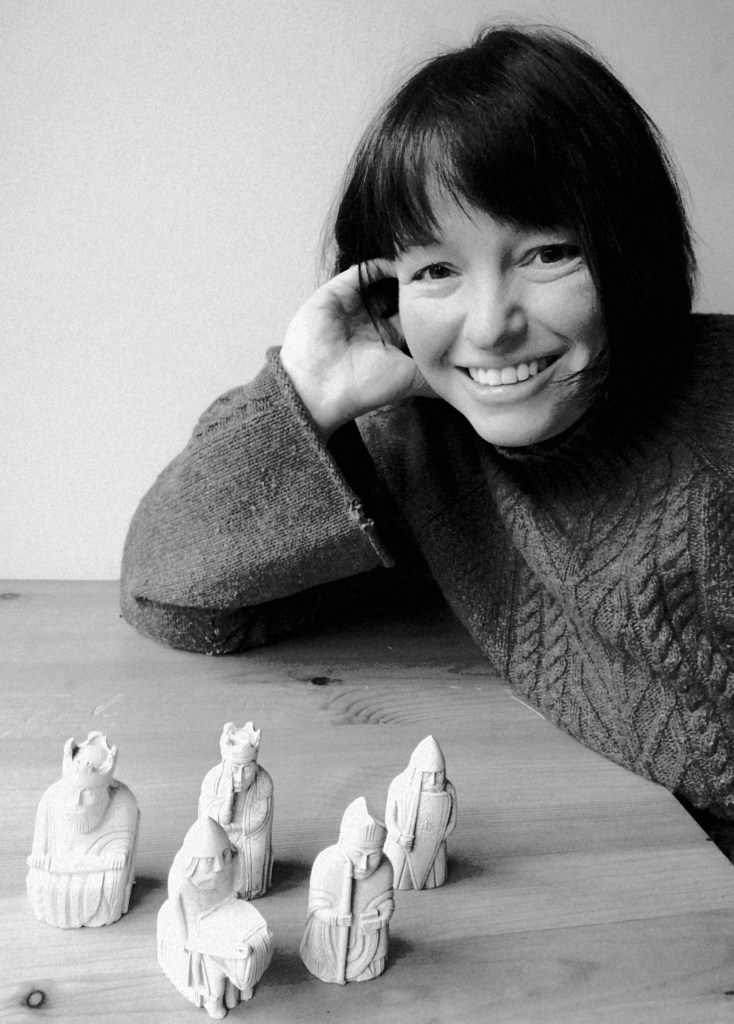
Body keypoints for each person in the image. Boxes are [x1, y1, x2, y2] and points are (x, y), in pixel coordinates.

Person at [121, 24, 734, 820]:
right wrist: (309, 390)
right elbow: (171, 598)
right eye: (437, 270)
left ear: (629, 253)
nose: (490, 326)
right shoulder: (422, 439)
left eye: (548, 253)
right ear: (385, 293)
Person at [157, 815, 274, 1019]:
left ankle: (243, 984)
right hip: (197, 927)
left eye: (224, 855)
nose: (220, 866)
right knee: (212, 966)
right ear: (193, 862)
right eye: (210, 860)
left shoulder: (235, 860)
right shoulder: (181, 884)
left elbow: (234, 895)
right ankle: (214, 998)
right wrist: (190, 943)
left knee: (252, 945)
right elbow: (184, 931)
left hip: (226, 913)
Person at [27, 732, 139, 928]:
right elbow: (39, 856)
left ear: (107, 791)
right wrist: (40, 860)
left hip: (100, 872)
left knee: (112, 883)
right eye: (71, 791)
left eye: (87, 794)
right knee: (42, 884)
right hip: (57, 870)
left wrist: (115, 858)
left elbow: (120, 855)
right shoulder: (51, 799)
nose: (76, 802)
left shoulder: (123, 804)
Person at [300, 797, 395, 983]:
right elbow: (316, 908)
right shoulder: (326, 863)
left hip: (369, 940)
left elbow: (388, 905)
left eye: (373, 855)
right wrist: (334, 918)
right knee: (321, 949)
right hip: (328, 936)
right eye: (358, 854)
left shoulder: (385, 868)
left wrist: (379, 920)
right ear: (343, 842)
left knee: (374, 956)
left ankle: (368, 966)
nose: (364, 865)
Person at [198, 721, 274, 900]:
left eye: (247, 769)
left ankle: (251, 889)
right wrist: (227, 801)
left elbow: (262, 817)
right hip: (219, 834)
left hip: (249, 836)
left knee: (254, 855)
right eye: (233, 769)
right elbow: (206, 817)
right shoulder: (212, 780)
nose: (239, 777)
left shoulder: (263, 782)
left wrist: (236, 828)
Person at [384, 735, 457, 890]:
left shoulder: (448, 790)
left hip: (435, 847)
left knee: (434, 877)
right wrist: (400, 837)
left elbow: (452, 821)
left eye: (438, 774)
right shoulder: (398, 785)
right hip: (402, 847)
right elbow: (389, 819)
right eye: (427, 774)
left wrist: (439, 837)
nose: (433, 781)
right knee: (401, 878)